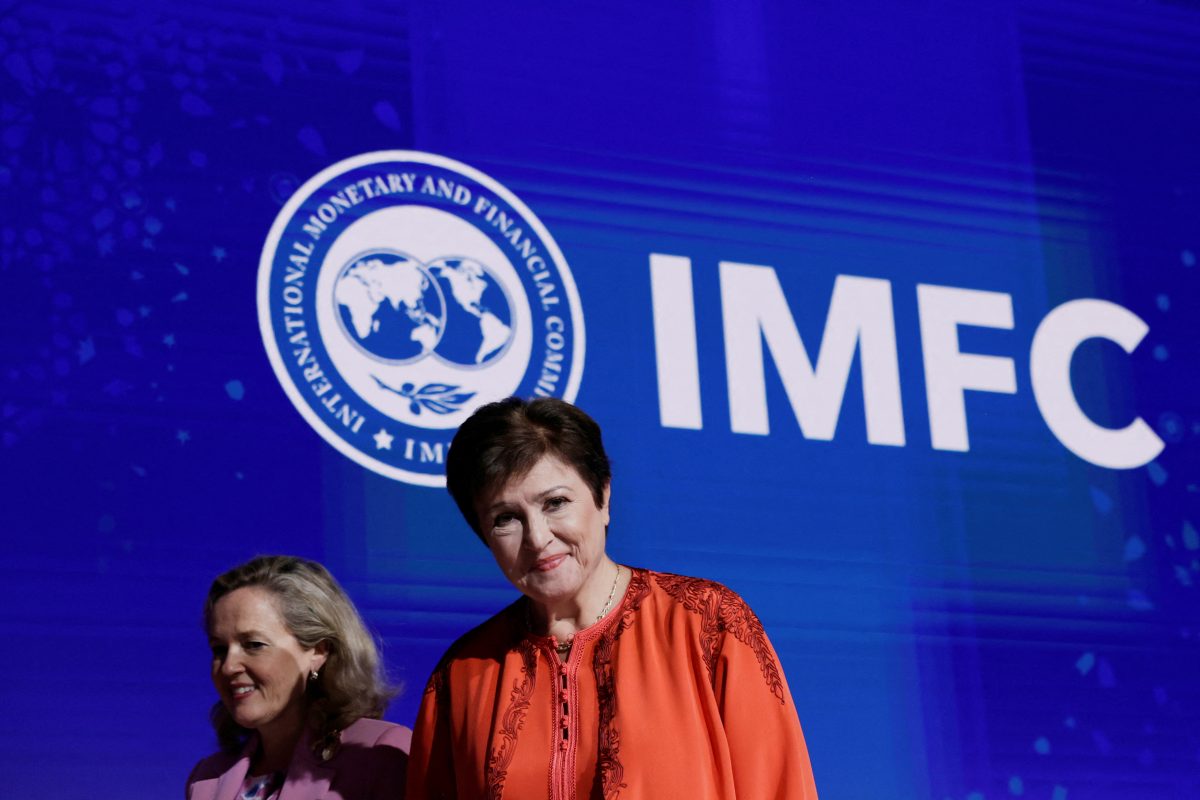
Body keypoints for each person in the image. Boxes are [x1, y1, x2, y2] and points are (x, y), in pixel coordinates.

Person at [407, 397, 818, 799]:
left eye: (555, 503)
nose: (538, 538)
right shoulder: (460, 676)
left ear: (602, 497)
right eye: (506, 519)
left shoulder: (709, 623)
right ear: (482, 535)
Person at [187, 555, 410, 800]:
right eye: (219, 649)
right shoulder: (206, 779)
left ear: (318, 651)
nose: (228, 667)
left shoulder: (378, 754)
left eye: (253, 644)